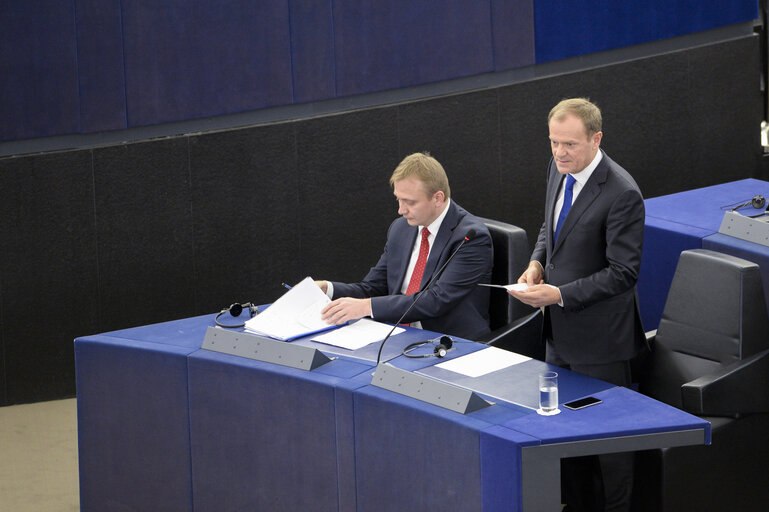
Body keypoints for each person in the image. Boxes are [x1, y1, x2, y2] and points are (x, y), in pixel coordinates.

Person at [508, 98, 645, 512]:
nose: (559, 152)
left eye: (569, 144)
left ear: (596, 138)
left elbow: (623, 273)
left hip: (602, 344)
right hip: (559, 339)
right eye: (553, 142)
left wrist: (560, 295)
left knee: (609, 453)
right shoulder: (557, 169)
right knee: (565, 442)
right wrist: (535, 263)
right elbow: (551, 229)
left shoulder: (623, 193)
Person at [316, 152, 493, 340]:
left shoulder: (471, 238)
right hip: (397, 335)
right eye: (398, 199)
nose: (401, 210)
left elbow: (437, 300)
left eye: (410, 202)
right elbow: (373, 287)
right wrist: (328, 288)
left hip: (448, 341)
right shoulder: (400, 228)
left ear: (438, 198)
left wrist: (366, 307)